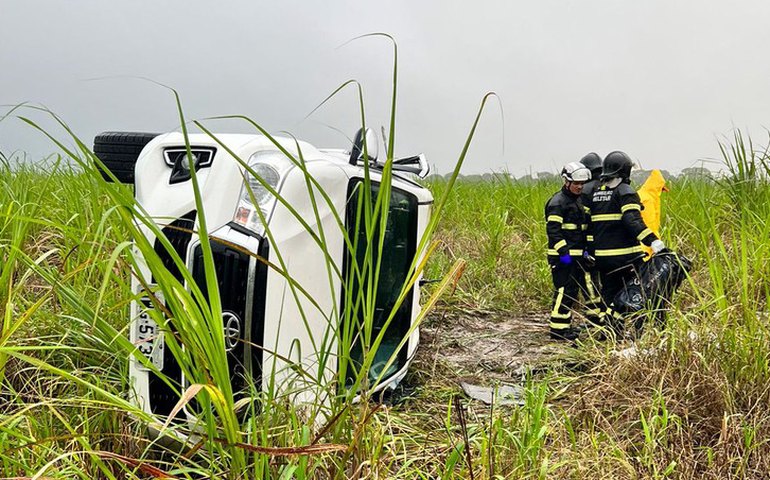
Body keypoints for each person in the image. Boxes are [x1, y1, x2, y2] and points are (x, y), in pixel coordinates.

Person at [585, 151, 665, 337]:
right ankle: (642, 330)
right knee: (639, 292)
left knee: (609, 294)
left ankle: (610, 333)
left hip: (602, 260)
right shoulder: (625, 192)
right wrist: (653, 241)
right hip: (626, 258)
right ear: (625, 171)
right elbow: (633, 221)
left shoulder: (596, 193)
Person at [545, 161, 594, 341]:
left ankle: (564, 327)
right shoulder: (557, 203)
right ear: (566, 182)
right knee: (563, 291)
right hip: (562, 258)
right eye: (576, 184)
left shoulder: (578, 202)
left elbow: (583, 230)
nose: (580, 187)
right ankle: (557, 330)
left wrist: (586, 252)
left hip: (577, 256)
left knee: (572, 291)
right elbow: (553, 231)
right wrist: (564, 254)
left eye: (582, 184)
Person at [578, 152, 605, 329]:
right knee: (603, 281)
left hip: (587, 244)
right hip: (606, 243)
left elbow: (581, 220)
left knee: (588, 281)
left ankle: (594, 318)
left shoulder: (585, 191)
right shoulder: (606, 188)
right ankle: (605, 315)